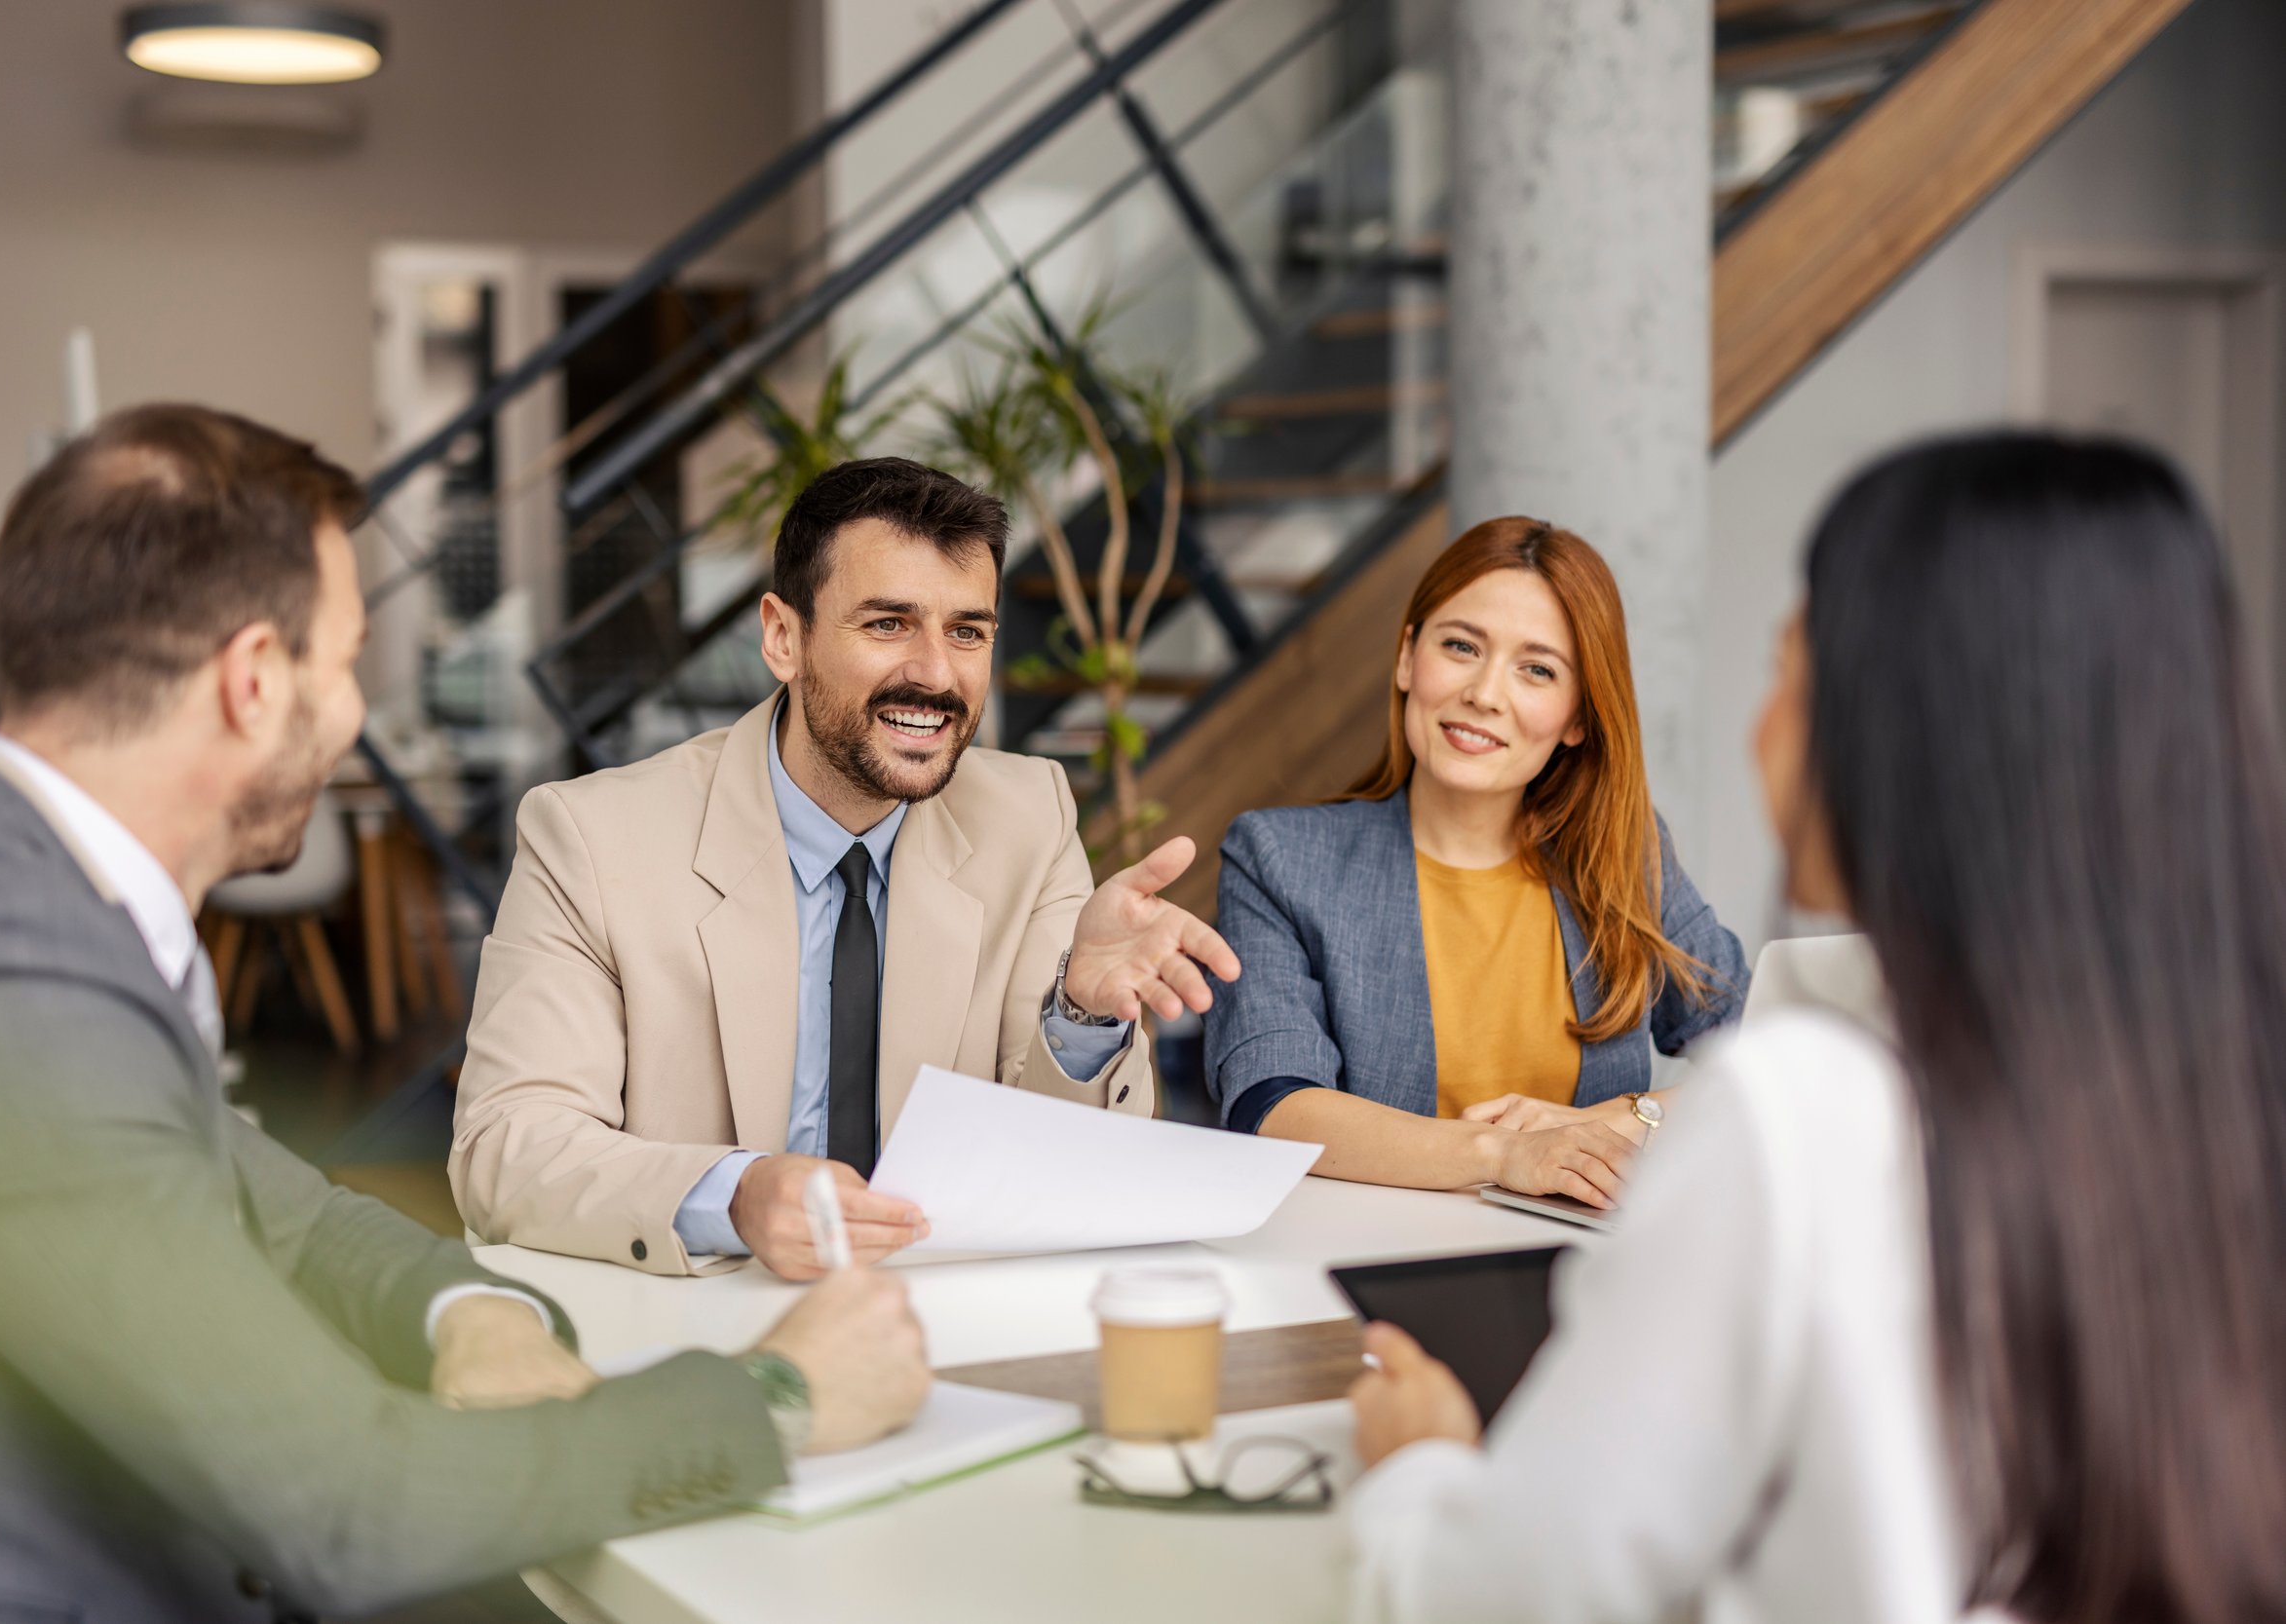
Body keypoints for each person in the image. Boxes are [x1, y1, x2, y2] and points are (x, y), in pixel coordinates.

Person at [0, 405, 931, 1624]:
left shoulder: (14, 896)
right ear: (255, 680)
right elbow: (346, 1507)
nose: (354, 711)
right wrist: (779, 1393)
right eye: (344, 661)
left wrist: (465, 1309)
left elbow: (289, 1219)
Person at [1346, 434, 2286, 1623]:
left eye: (1791, 673)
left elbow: (1513, 1593)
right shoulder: (2216, 1092)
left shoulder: (1798, 1109)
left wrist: (1418, 1465)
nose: (1760, 730)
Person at [451, 457, 1238, 1279]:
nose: (936, 673)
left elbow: (1055, 1169)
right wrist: (737, 1197)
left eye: (967, 631)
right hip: (699, 1338)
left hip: (945, 1324)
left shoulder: (1030, 817)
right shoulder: (593, 838)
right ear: (783, 637)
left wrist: (1078, 1014)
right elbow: (507, 1146)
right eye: (888, 623)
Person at [1203, 518, 1745, 1206]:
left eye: (1537, 669)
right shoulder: (1279, 859)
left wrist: (1630, 1118)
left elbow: (1770, 1051)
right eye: (1461, 645)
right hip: (1370, 1265)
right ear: (1407, 657)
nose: (1485, 693)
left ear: (1578, 716)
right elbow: (1273, 1105)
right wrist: (1504, 1151)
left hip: (1592, 1269)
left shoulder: (1625, 855)